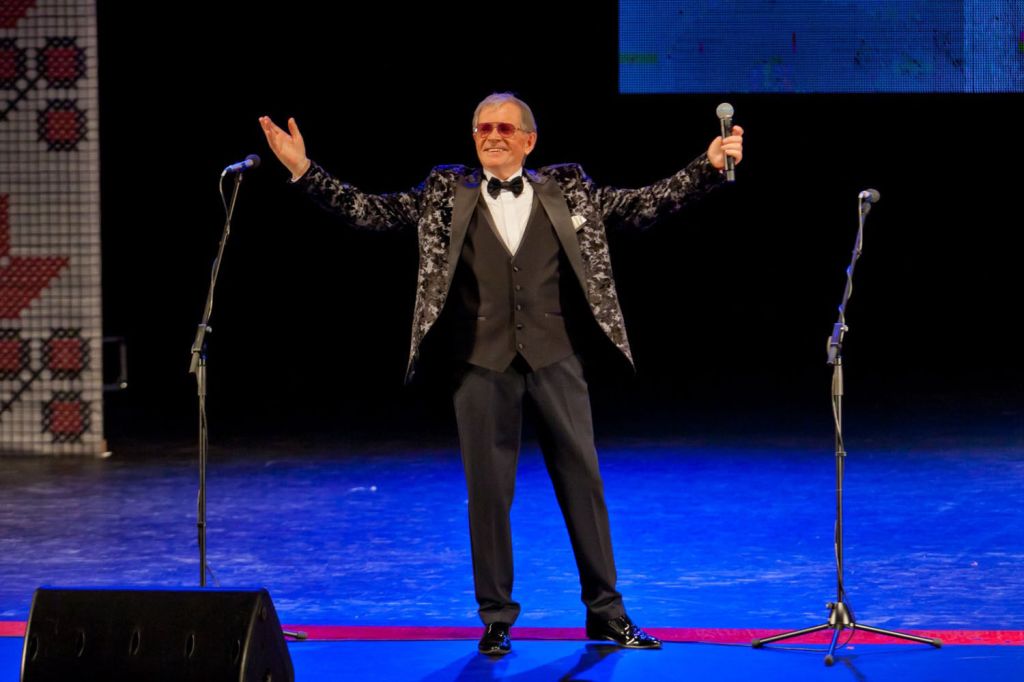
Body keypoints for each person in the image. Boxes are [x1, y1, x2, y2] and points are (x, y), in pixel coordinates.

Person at [259, 93, 743, 655]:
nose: (493, 135)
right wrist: (304, 169)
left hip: (556, 357)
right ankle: (495, 618)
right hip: (480, 362)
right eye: (483, 127)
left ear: (529, 141)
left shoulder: (569, 187)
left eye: (505, 128)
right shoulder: (444, 191)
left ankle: (607, 613)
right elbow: (370, 212)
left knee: (583, 484)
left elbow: (642, 205)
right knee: (487, 494)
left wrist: (706, 167)